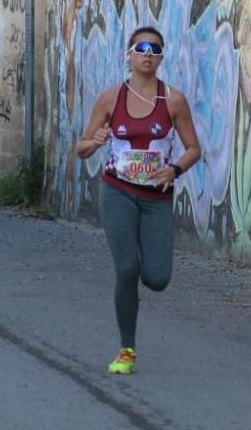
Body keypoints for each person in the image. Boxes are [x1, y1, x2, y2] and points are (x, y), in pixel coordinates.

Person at [75, 26, 201, 375]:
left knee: (158, 278)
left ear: (161, 58)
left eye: (156, 49)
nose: (149, 54)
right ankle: (126, 349)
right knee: (127, 269)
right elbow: (81, 148)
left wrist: (174, 170)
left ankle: (145, 263)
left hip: (156, 198)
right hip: (117, 191)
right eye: (142, 48)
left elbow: (194, 149)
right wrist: (96, 141)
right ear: (129, 55)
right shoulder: (110, 98)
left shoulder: (172, 100)